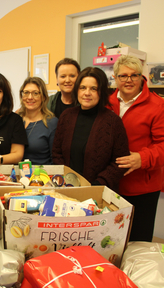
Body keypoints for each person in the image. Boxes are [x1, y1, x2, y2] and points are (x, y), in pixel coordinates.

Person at [108, 55, 164, 242]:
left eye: (134, 75)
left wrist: (142, 158)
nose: (129, 80)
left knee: (138, 241)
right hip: (111, 185)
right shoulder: (107, 103)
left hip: (143, 187)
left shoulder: (158, 106)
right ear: (115, 78)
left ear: (142, 77)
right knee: (111, 240)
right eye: (123, 76)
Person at [52, 67, 130, 192]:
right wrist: (66, 179)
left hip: (99, 191)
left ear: (102, 91)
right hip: (66, 188)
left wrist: (98, 183)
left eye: (93, 89)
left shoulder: (113, 122)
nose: (87, 93)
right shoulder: (66, 116)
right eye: (83, 88)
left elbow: (120, 162)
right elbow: (56, 152)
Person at [18, 77, 58, 165]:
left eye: (35, 93)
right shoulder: (16, 119)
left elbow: (55, 160)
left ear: (43, 97)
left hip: (41, 175)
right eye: (26, 93)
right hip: (15, 175)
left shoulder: (51, 123)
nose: (30, 97)